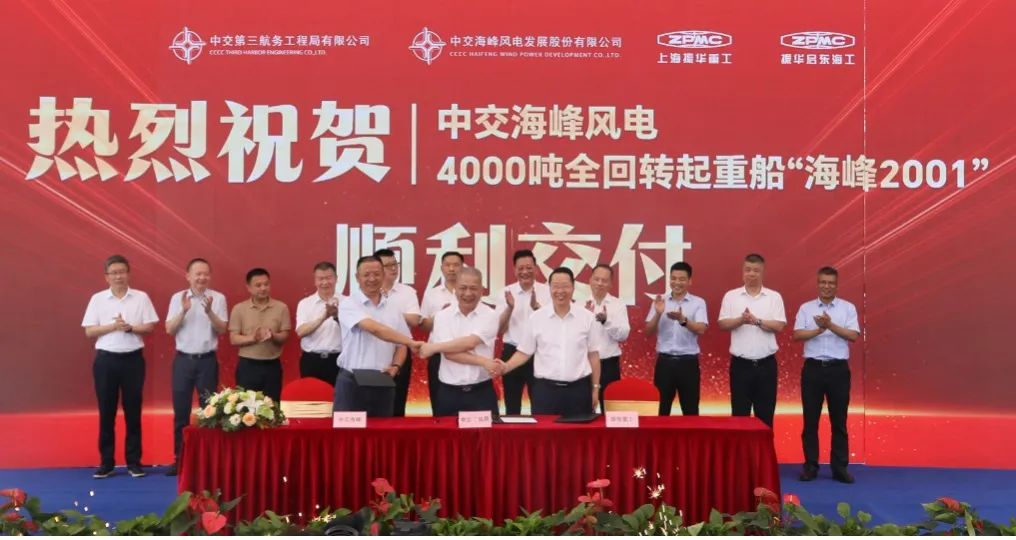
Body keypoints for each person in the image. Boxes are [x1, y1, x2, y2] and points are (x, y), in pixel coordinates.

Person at [81, 255, 159, 479]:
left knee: (133, 412)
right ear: (106, 277)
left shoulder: (141, 297)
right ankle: (106, 463)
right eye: (114, 273)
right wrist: (113, 326)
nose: (118, 276)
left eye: (122, 272)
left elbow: (150, 327)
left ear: (128, 274)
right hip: (106, 361)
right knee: (107, 412)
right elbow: (89, 331)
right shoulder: (98, 299)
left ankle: (134, 462)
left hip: (133, 361)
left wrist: (130, 328)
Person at [501, 267, 602, 416]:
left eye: (565, 286)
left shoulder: (587, 317)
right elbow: (524, 352)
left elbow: (593, 355)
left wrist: (595, 388)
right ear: (549, 288)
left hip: (578, 391)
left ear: (573, 287)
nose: (560, 291)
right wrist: (506, 366)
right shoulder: (536, 318)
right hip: (545, 392)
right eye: (555, 286)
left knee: (579, 430)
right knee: (544, 431)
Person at [793, 266, 860, 484]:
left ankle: (839, 468)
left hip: (838, 370)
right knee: (810, 421)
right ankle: (810, 466)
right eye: (823, 282)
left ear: (837, 285)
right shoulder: (806, 308)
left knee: (839, 421)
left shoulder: (847, 308)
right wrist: (818, 330)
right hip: (812, 369)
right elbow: (797, 335)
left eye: (831, 283)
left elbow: (853, 335)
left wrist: (829, 325)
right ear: (818, 284)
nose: (827, 286)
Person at [334, 256, 424, 416]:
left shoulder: (393, 306)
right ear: (357, 277)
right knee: (348, 431)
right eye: (366, 275)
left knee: (383, 431)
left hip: (383, 380)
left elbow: (401, 345)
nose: (372, 279)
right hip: (352, 381)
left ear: (383, 275)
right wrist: (411, 342)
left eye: (376, 274)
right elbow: (375, 329)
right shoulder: (349, 303)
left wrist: (396, 366)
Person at [164, 257, 227, 476]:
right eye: (197, 274)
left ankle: (209, 460)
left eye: (205, 274)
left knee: (209, 413)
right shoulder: (177, 298)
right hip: (183, 361)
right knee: (181, 412)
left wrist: (209, 311)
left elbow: (222, 329)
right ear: (188, 276)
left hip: (207, 361)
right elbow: (169, 329)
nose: (202, 278)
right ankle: (179, 459)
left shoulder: (218, 298)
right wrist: (183, 311)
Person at [419, 268, 500, 416]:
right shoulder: (442, 316)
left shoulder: (491, 315)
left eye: (473, 288)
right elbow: (449, 354)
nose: (468, 293)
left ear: (481, 290)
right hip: (449, 393)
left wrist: (434, 347)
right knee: (446, 432)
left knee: (487, 432)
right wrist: (484, 362)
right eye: (463, 288)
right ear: (455, 289)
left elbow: (470, 343)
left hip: (481, 392)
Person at [717, 254, 786, 428]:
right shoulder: (731, 296)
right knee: (739, 418)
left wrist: (757, 321)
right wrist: (741, 320)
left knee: (765, 418)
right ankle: (740, 448)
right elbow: (723, 324)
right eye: (748, 270)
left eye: (756, 270)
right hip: (741, 366)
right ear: (743, 272)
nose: (751, 274)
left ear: (762, 272)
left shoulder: (774, 297)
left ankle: (765, 448)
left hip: (766, 366)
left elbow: (779, 325)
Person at [645, 262, 707, 416]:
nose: (677, 282)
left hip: (688, 363)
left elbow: (701, 329)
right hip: (664, 363)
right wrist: (658, 313)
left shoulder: (698, 302)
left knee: (691, 410)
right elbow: (648, 331)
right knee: (661, 410)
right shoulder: (660, 301)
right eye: (673, 278)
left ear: (689, 281)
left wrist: (682, 320)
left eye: (681, 279)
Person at [493, 249, 551, 414]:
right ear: (514, 270)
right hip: (512, 352)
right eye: (521, 268)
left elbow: (552, 327)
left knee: (540, 404)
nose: (525, 272)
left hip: (539, 353)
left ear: (536, 268)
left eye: (529, 267)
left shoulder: (548, 292)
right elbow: (499, 330)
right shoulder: (505, 293)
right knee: (512, 406)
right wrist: (510, 308)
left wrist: (537, 307)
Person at [228, 268, 290, 402]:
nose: (263, 288)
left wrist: (273, 335)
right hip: (247, 366)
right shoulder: (239, 309)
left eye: (266, 284)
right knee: (245, 408)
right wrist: (253, 338)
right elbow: (233, 339)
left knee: (272, 406)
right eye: (258, 285)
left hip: (272, 366)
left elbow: (285, 336)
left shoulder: (281, 308)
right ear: (248, 288)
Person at [374, 248, 423, 416]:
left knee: (397, 401)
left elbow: (414, 320)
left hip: (401, 348)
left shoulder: (407, 292)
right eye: (388, 265)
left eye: (395, 264)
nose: (394, 268)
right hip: (374, 350)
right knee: (373, 401)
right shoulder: (367, 293)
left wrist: (387, 312)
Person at [420, 251, 464, 415]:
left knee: (464, 400)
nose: (451, 269)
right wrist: (441, 316)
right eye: (448, 265)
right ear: (441, 268)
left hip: (464, 352)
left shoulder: (469, 293)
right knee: (439, 400)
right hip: (438, 353)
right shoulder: (432, 294)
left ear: (462, 267)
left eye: (456, 265)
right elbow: (424, 326)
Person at [585, 264, 630, 412]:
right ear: (590, 280)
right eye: (596, 279)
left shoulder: (618, 305)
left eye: (604, 280)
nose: (599, 283)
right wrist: (585, 318)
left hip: (609, 365)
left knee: (611, 411)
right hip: (585, 365)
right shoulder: (579, 304)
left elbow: (623, 335)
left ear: (610, 283)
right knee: (585, 410)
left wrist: (607, 321)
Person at [295, 262, 345, 386]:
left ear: (336, 278)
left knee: (338, 397)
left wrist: (336, 316)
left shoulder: (348, 302)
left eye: (329, 278)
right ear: (315, 281)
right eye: (321, 279)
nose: (325, 282)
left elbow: (354, 331)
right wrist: (323, 317)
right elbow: (301, 332)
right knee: (311, 396)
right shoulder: (305, 303)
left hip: (339, 360)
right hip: (311, 361)